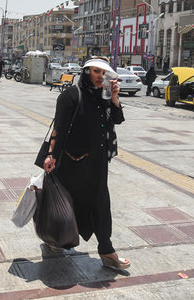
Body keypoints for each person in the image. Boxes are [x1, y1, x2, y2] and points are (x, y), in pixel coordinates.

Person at [43, 57, 130, 270]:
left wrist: (115, 98)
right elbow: (59, 128)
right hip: (73, 162)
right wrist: (51, 155)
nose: (101, 77)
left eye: (104, 73)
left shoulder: (104, 96)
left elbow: (117, 119)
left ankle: (107, 251)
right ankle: (55, 239)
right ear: (86, 72)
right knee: (64, 203)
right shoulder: (71, 95)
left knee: (101, 204)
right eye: (96, 72)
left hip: (97, 163)